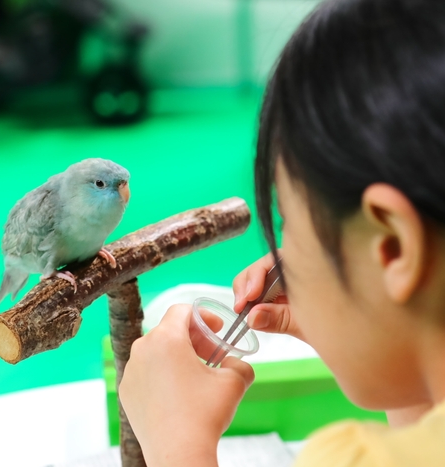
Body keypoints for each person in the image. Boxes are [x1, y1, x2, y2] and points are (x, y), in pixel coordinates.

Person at [118, 0, 445, 465]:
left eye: (290, 224)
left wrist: (176, 443)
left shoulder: (350, 455)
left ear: (392, 246)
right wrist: (381, 324)